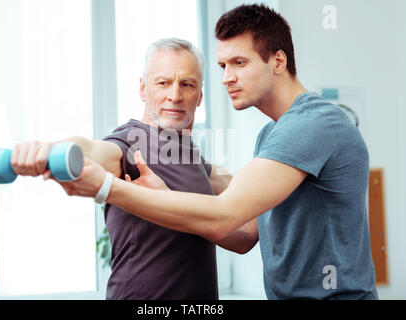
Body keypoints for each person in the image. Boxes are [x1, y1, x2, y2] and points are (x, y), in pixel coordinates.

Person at [55, 4, 379, 300]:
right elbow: (247, 233)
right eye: (223, 65)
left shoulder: (312, 123)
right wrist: (52, 151)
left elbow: (225, 216)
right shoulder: (272, 133)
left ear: (277, 61)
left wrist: (108, 188)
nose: (227, 78)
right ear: (143, 88)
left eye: (239, 63)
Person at [10, 38, 235, 299]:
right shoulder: (129, 141)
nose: (175, 95)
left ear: (200, 96)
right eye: (163, 83)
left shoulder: (192, 156)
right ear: (142, 89)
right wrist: (49, 149)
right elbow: (91, 150)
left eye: (187, 84)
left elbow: (238, 201)